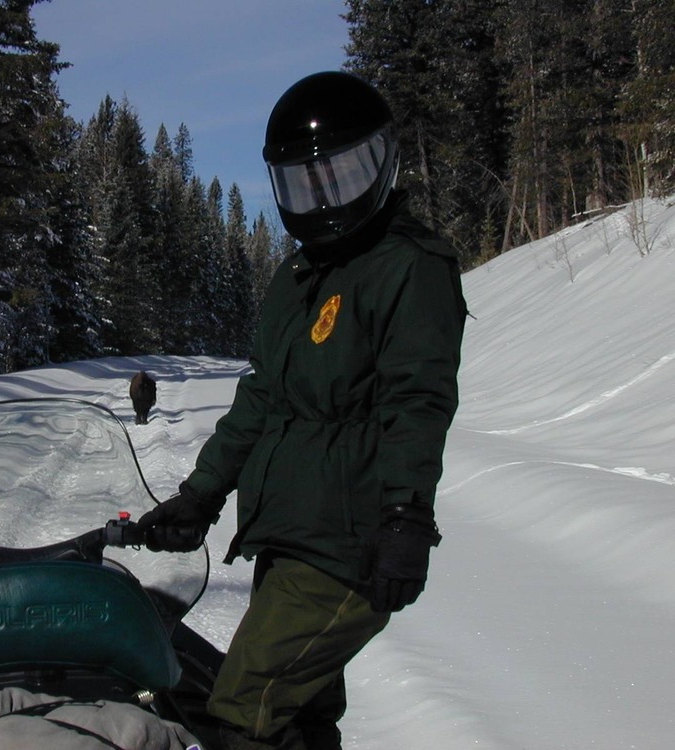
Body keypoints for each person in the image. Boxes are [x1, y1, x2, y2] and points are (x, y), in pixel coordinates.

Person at [137, 71, 467, 750]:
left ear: (378, 162)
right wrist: (200, 495)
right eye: (303, 181)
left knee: (242, 712)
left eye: (340, 174)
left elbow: (418, 397)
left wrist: (406, 515)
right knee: (295, 719)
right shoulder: (298, 278)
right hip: (289, 538)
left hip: (350, 544)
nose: (322, 197)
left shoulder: (408, 266)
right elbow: (262, 398)